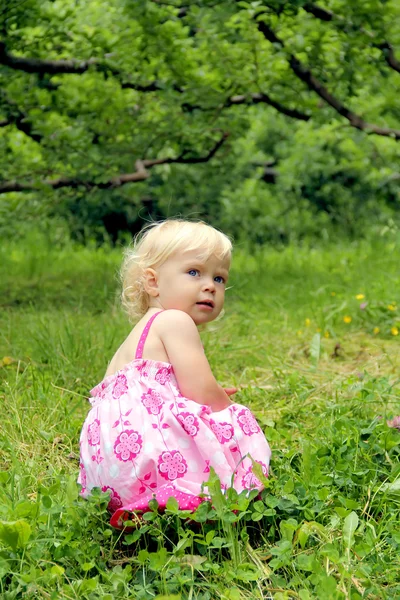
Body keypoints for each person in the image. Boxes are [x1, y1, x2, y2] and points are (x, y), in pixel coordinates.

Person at [78, 220, 271, 528]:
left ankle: (133, 503)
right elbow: (202, 393)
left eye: (219, 278)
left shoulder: (134, 339)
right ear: (153, 283)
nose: (210, 285)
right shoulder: (176, 321)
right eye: (194, 272)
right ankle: (208, 493)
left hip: (108, 467)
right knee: (235, 422)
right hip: (151, 456)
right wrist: (222, 404)